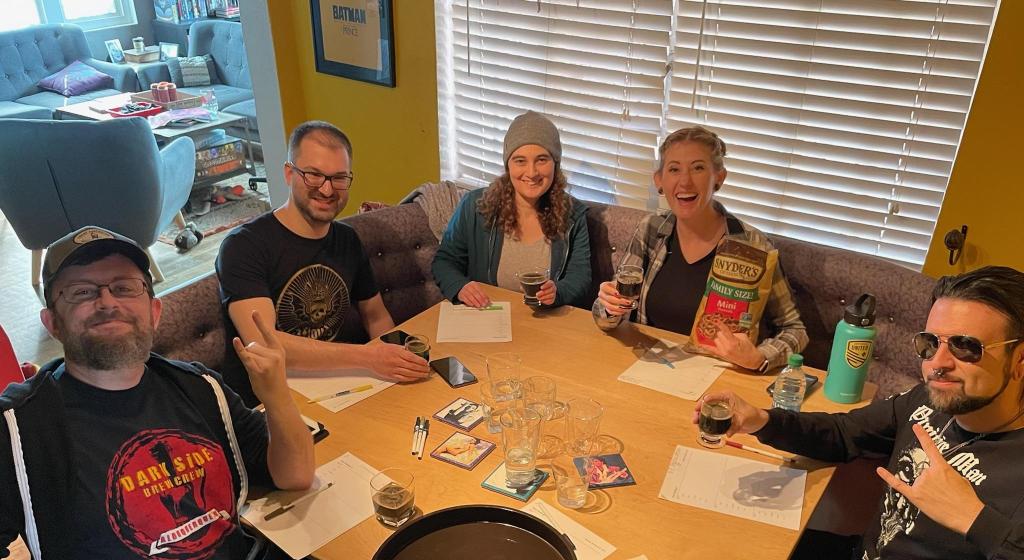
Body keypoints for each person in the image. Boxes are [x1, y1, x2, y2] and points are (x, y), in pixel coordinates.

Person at [0, 226, 314, 559]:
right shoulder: (19, 429)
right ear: (52, 323)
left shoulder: (201, 389)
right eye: (82, 292)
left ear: (154, 312)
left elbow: (295, 475)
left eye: (124, 288)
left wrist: (276, 395)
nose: (107, 302)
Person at [696, 265, 1024, 559]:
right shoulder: (928, 399)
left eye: (966, 347)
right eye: (930, 343)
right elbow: (844, 433)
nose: (937, 363)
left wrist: (975, 520)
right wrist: (761, 420)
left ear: (1020, 360)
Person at [217, 120, 430, 405]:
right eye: (314, 175)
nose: (327, 190)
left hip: (336, 386)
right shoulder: (244, 246)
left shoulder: (347, 239)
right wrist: (367, 357)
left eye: (339, 178)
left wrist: (398, 360)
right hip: (265, 402)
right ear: (289, 173)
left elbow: (376, 317)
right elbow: (265, 343)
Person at [593, 125, 806, 372]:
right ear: (659, 180)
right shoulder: (650, 229)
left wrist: (760, 358)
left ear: (719, 177)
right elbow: (606, 316)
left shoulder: (754, 245)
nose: (685, 181)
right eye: (674, 169)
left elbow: (794, 329)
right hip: (649, 365)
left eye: (698, 168)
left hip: (720, 373)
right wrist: (609, 308)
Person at [432, 110, 592, 309]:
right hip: (489, 314)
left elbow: (580, 276)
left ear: (555, 164)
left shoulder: (573, 214)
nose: (531, 172)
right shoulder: (475, 206)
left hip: (546, 319)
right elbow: (444, 261)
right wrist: (460, 286)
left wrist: (558, 292)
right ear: (508, 165)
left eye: (542, 159)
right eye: (520, 161)